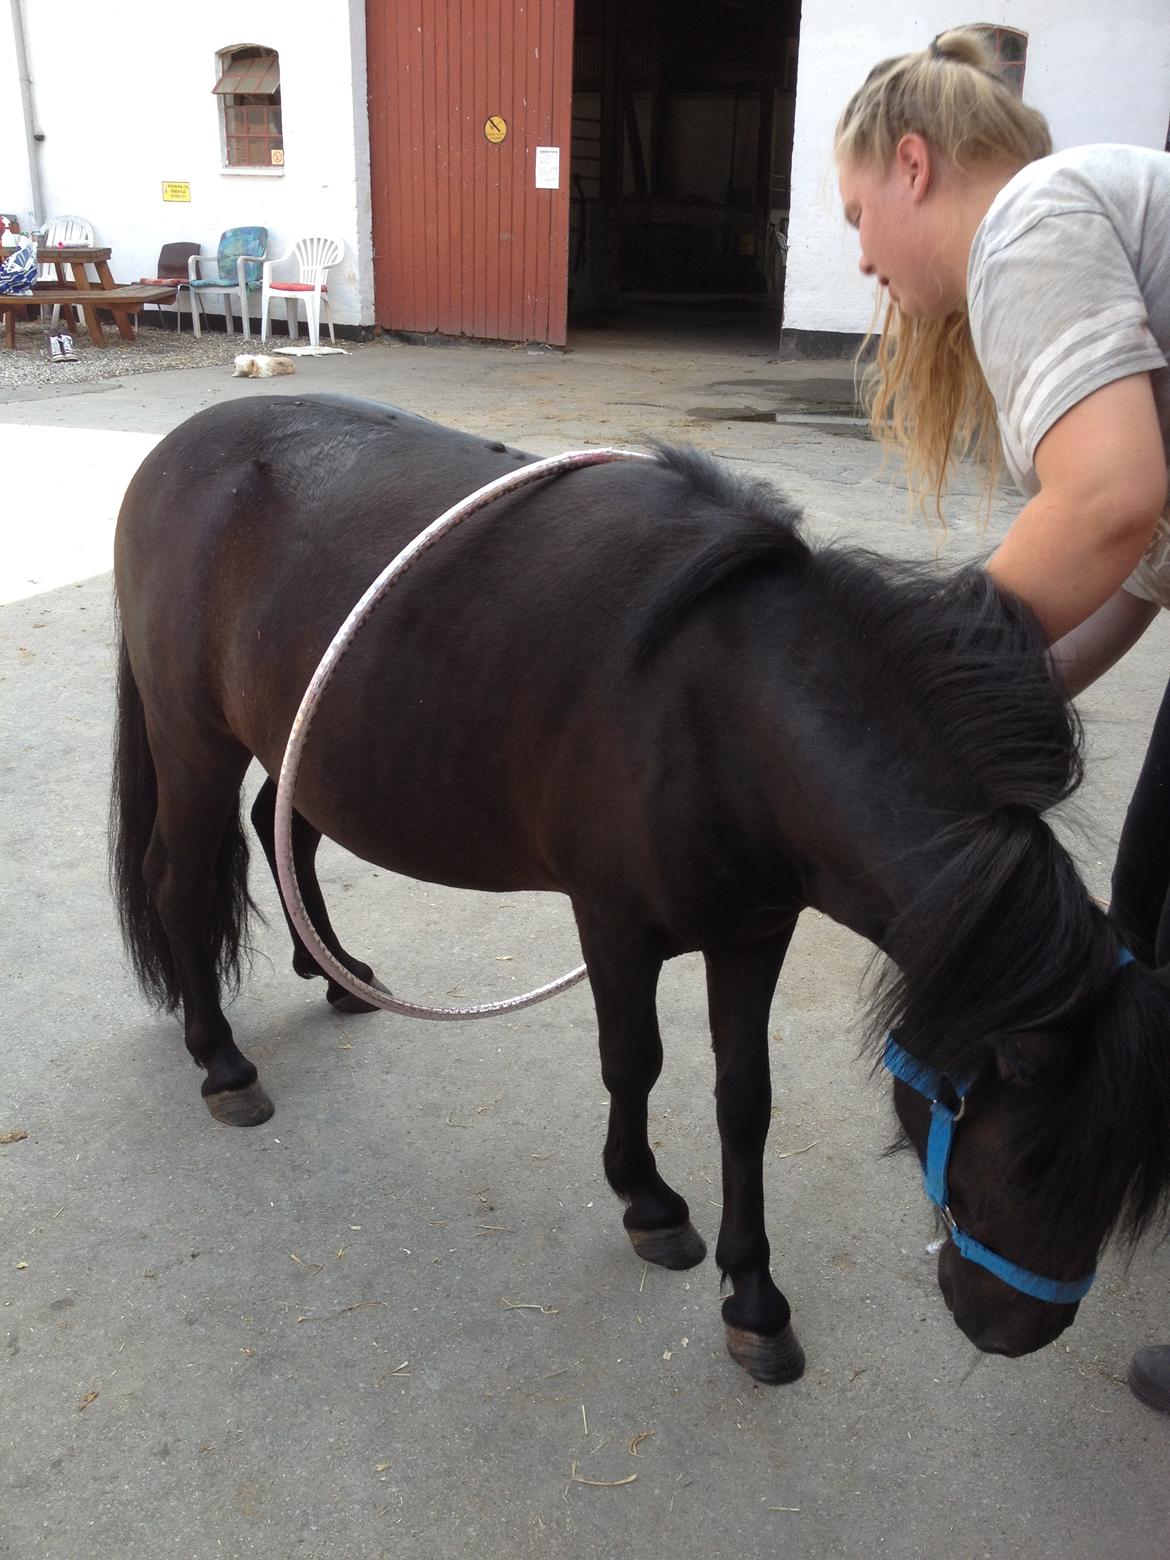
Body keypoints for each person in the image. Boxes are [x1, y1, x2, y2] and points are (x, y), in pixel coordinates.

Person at [834, 28, 1170, 1411]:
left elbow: (1103, 504)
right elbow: (1141, 580)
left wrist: (914, 685)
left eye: (857, 214)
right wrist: (973, 718)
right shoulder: (1104, 218)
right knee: (1142, 923)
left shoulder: (1029, 220)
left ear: (913, 167)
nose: (858, 257)